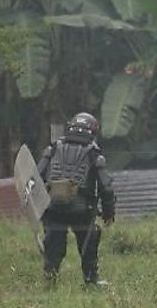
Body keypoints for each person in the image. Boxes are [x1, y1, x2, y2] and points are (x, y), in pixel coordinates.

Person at [36, 112, 115, 285]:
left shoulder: (53, 148)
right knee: (88, 245)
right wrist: (109, 212)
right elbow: (106, 187)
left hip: (53, 207)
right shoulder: (94, 154)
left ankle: (50, 280)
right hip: (82, 210)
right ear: (93, 131)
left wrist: (37, 206)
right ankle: (91, 281)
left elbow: (36, 176)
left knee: (53, 245)